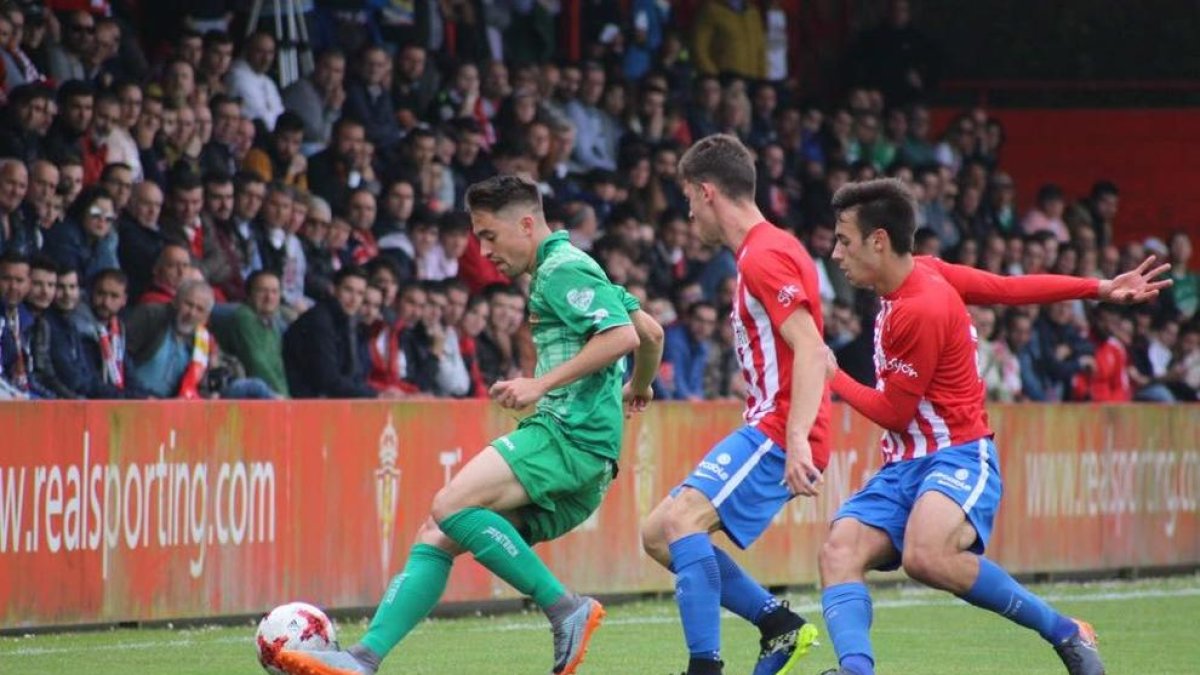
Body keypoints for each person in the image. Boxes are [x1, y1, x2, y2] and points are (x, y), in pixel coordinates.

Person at [277, 175, 665, 675]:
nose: (483, 252)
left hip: (568, 437)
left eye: (488, 236)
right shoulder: (575, 268)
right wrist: (640, 386)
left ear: (526, 224)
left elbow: (619, 337)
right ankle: (364, 659)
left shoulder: (561, 271)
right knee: (437, 533)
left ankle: (564, 607)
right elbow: (649, 332)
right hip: (588, 458)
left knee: (449, 504)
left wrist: (539, 386)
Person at [817, 178, 1171, 675]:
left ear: (879, 240)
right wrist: (1098, 288)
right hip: (904, 464)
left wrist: (833, 376)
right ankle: (856, 671)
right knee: (838, 551)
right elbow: (1007, 289)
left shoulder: (921, 307)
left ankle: (1065, 632)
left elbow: (894, 412)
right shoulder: (924, 275)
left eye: (844, 240)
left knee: (926, 555)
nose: (835, 253)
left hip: (958, 454)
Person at [638, 134, 829, 675]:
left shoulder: (765, 255)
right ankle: (777, 625)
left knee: (680, 523)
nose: (689, 213)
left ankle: (706, 667)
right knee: (658, 535)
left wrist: (796, 441)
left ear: (706, 192)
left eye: (688, 200)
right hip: (773, 423)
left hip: (779, 427)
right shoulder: (770, 249)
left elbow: (813, 349)